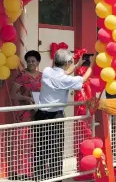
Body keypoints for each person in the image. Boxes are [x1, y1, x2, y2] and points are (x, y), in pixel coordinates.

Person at [33, 49, 93, 181]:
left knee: (40, 148)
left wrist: (76, 65)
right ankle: (55, 177)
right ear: (67, 62)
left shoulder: (47, 72)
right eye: (70, 61)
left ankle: (39, 177)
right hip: (55, 116)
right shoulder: (65, 79)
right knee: (56, 148)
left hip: (40, 115)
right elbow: (82, 80)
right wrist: (92, 65)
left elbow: (63, 73)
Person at [10, 50, 42, 180]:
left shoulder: (43, 75)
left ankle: (37, 170)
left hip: (40, 112)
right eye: (28, 61)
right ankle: (23, 172)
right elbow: (13, 94)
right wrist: (27, 99)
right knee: (24, 141)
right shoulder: (21, 76)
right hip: (25, 113)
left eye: (33, 61)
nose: (31, 63)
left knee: (38, 141)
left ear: (38, 62)